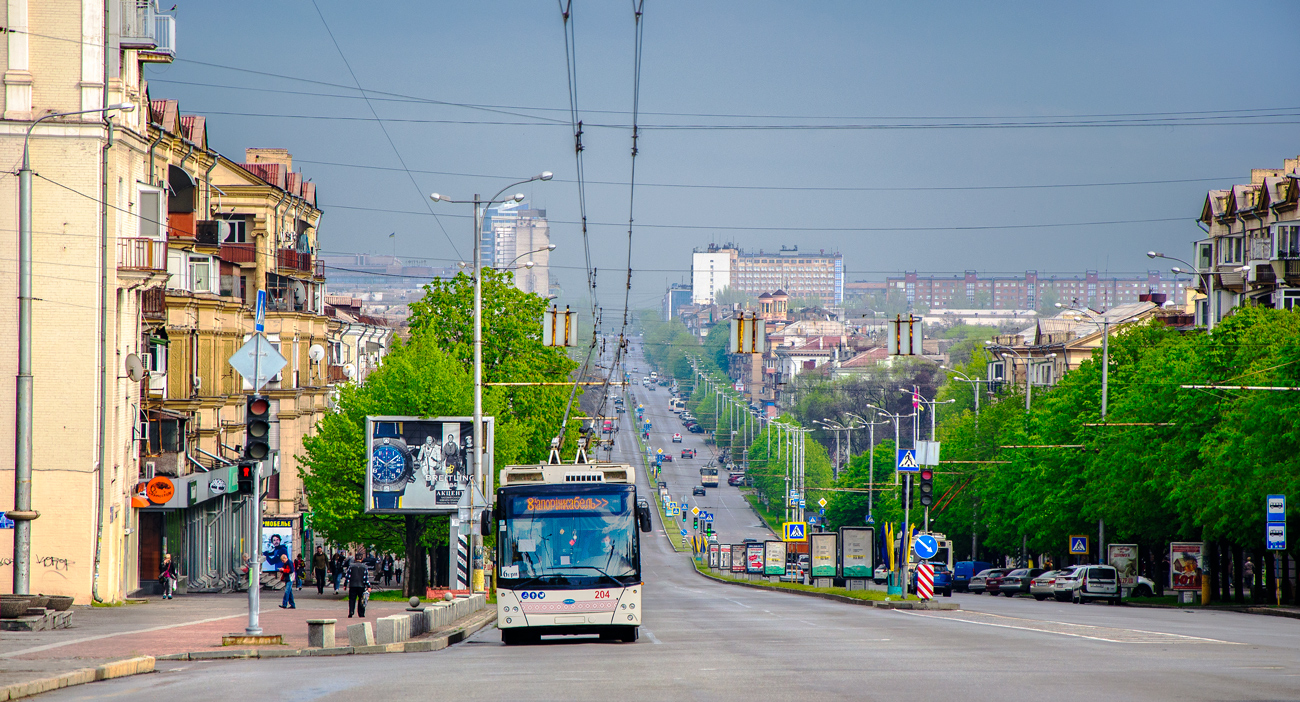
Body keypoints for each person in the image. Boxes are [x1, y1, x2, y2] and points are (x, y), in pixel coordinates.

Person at [345, 552, 371, 618]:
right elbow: (365, 578)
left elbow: (348, 576)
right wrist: (368, 586)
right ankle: (361, 613)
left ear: (355, 559)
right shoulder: (364, 567)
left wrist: (345, 584)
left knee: (352, 599)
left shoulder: (351, 566)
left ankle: (351, 611)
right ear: (362, 559)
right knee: (361, 599)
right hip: (361, 585)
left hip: (352, 585)